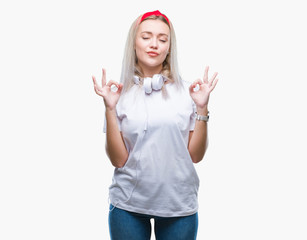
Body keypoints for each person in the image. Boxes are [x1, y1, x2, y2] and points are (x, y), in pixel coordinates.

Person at [92, 10, 218, 240]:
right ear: (134, 44)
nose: (154, 45)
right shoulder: (119, 95)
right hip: (128, 206)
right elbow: (118, 159)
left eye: (162, 39)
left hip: (179, 206)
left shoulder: (189, 93)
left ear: (169, 48)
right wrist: (110, 108)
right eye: (146, 37)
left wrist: (202, 107)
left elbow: (196, 156)